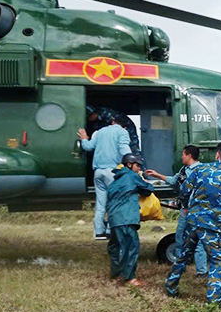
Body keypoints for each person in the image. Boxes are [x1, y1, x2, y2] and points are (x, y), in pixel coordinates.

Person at [164, 141, 221, 304]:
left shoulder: (201, 169)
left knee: (184, 254)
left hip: (193, 220)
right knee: (217, 260)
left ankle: (170, 286)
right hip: (213, 225)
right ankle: (214, 301)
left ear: (217, 155)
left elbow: (185, 190)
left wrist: (187, 206)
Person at [144, 145, 208, 277]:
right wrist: (156, 175)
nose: (182, 157)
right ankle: (180, 266)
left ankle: (201, 271)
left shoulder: (202, 170)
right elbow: (174, 180)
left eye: (184, 154)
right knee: (180, 238)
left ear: (189, 155)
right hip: (185, 210)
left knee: (199, 241)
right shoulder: (184, 170)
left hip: (196, 211)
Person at [78, 116, 131, 240]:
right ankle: (109, 230)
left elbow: (88, 147)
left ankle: (99, 232)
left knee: (101, 203)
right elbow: (124, 148)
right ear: (125, 126)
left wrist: (84, 139)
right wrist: (131, 161)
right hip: (112, 172)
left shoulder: (99, 132)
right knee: (114, 202)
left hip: (98, 172)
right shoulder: (122, 132)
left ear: (113, 122)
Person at [105, 153, 153, 286]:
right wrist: (146, 182)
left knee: (115, 246)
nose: (139, 168)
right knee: (131, 246)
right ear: (129, 164)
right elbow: (148, 189)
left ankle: (116, 274)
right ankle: (129, 278)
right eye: (137, 165)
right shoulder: (132, 176)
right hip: (126, 217)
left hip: (114, 218)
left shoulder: (115, 180)